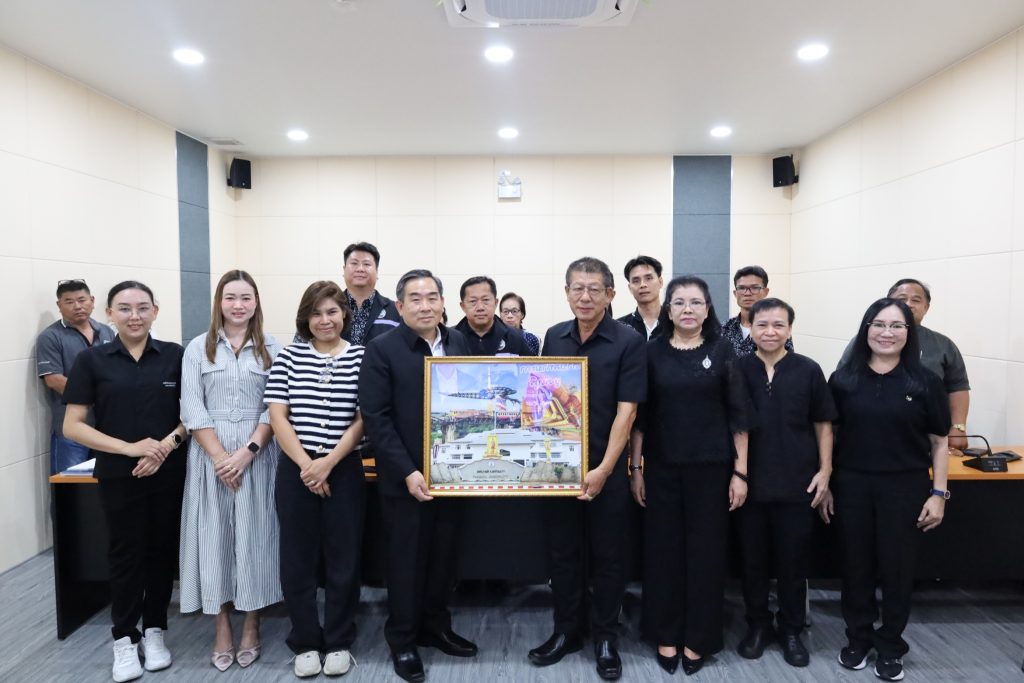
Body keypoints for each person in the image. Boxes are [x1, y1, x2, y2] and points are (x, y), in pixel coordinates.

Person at [62, 281, 188, 683]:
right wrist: (129, 448)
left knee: (161, 553)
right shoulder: (92, 361)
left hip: (168, 472)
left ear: (155, 311)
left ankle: (155, 631)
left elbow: (191, 416)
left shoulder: (175, 356)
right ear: (110, 314)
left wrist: (163, 448)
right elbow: (72, 426)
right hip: (119, 474)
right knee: (125, 554)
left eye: (143, 307)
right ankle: (124, 637)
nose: (135, 316)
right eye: (125, 308)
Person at [529, 257, 646, 681]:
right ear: (566, 292)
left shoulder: (629, 341)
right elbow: (542, 400)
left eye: (594, 289)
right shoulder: (553, 336)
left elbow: (627, 412)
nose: (585, 296)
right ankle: (567, 631)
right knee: (562, 555)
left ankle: (605, 637)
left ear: (610, 294)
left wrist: (605, 469)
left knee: (609, 558)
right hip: (558, 471)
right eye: (577, 288)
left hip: (606, 471)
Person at [628, 275, 750, 676]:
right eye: (679, 302)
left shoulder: (723, 349)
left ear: (708, 308)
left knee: (706, 555)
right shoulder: (652, 351)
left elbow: (738, 417)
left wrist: (741, 473)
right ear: (668, 309)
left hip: (712, 471)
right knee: (662, 553)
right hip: (662, 469)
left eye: (696, 302)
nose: (687, 309)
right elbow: (640, 419)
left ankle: (698, 638)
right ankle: (665, 633)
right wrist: (636, 469)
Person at [824, 298, 951, 682]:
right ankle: (858, 639)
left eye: (897, 326)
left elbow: (940, 442)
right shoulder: (843, 379)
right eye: (878, 324)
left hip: (905, 487)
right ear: (866, 329)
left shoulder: (925, 382)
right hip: (852, 484)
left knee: (897, 570)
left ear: (909, 333)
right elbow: (829, 434)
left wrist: (938, 494)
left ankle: (891, 645)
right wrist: (827, 482)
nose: (887, 333)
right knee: (855, 567)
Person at [359, 269, 475, 683]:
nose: (425, 306)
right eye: (415, 299)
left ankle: (435, 627)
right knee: (406, 562)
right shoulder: (382, 349)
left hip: (453, 476)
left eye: (432, 298)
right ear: (400, 305)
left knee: (444, 559)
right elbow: (376, 418)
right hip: (405, 478)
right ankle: (403, 639)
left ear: (443, 303)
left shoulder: (458, 342)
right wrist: (408, 471)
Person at [178, 270, 283, 671]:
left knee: (255, 539)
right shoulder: (198, 348)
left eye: (246, 298)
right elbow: (192, 406)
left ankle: (252, 622)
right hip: (211, 458)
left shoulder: (273, 347)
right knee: (215, 540)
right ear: (219, 303)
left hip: (259, 455)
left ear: (256, 302)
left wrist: (247, 453)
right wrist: (222, 457)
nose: (238, 305)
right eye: (230, 297)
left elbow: (277, 406)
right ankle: (221, 624)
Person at [265, 281, 367, 679]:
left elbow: (362, 418)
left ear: (344, 315)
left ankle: (339, 638)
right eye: (316, 313)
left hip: (344, 468)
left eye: (332, 312)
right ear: (305, 318)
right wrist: (309, 466)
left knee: (344, 557)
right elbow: (278, 416)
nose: (325, 320)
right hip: (296, 468)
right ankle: (305, 640)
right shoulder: (289, 357)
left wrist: (329, 463)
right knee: (297, 559)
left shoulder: (361, 357)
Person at [734, 298, 836, 668]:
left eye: (779, 325)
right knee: (753, 562)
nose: (770, 331)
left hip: (798, 484)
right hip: (750, 485)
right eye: (762, 324)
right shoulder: (738, 368)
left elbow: (823, 424)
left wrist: (825, 471)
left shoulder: (808, 369)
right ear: (750, 328)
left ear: (790, 329)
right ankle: (757, 625)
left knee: (793, 563)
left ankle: (792, 629)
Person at [838, 278, 970, 450]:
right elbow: (842, 382)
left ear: (926, 307)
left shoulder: (943, 345)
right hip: (866, 432)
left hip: (924, 436)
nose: (909, 304)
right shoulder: (866, 340)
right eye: (902, 299)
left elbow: (957, 387)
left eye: (916, 300)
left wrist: (958, 427)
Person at [36, 278, 115, 473]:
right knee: (71, 485)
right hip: (70, 429)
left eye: (81, 300)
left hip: (106, 426)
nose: (77, 306)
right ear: (59, 305)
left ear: (92, 301)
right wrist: (96, 396)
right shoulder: (50, 336)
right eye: (69, 302)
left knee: (103, 484)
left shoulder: (106, 331)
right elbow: (54, 380)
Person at [721, 265, 793, 357]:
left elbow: (788, 362)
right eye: (741, 288)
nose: (747, 293)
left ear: (766, 292)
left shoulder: (776, 329)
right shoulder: (724, 328)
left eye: (755, 288)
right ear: (735, 293)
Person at [454, 276, 535, 356]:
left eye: (486, 300)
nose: (480, 307)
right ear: (463, 306)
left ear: (496, 303)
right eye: (473, 301)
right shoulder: (450, 338)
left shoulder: (516, 337)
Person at [341, 241, 401, 345]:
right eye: (354, 263)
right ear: (344, 270)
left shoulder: (395, 310)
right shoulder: (331, 308)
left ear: (377, 271)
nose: (360, 269)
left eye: (366, 264)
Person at [617, 255, 664, 340]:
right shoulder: (619, 327)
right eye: (636, 281)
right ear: (630, 288)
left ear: (660, 282)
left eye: (648, 278)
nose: (643, 285)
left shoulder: (676, 323)